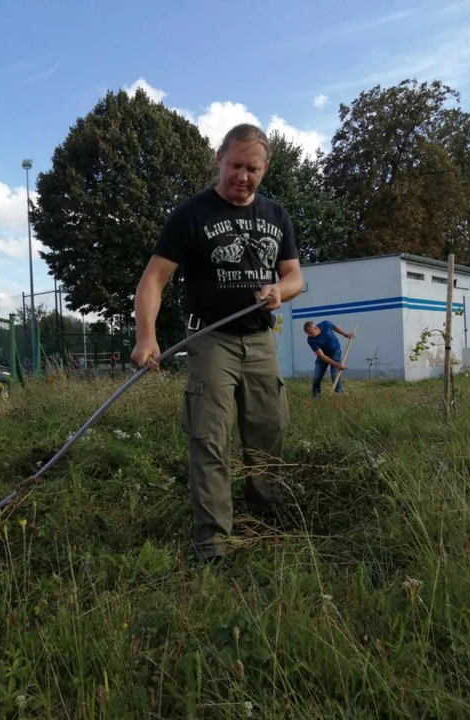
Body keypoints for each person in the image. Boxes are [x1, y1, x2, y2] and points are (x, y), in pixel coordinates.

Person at [131, 123, 304, 563]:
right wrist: (146, 336)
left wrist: (278, 292)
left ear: (264, 168)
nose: (243, 176)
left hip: (262, 341)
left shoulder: (276, 214)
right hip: (210, 340)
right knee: (209, 437)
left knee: (269, 431)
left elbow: (294, 276)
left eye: (253, 168)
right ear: (219, 159)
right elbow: (154, 278)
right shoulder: (191, 215)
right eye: (235, 165)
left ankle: (266, 521)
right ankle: (212, 542)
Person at [304, 320, 354, 397]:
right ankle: (315, 397)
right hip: (323, 356)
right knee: (317, 376)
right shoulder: (310, 340)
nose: (310, 335)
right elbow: (321, 356)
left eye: (311, 333)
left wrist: (346, 335)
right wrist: (337, 365)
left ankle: (338, 395)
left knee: (335, 374)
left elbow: (335, 327)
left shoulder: (326, 324)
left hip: (335, 352)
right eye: (308, 334)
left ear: (316, 328)